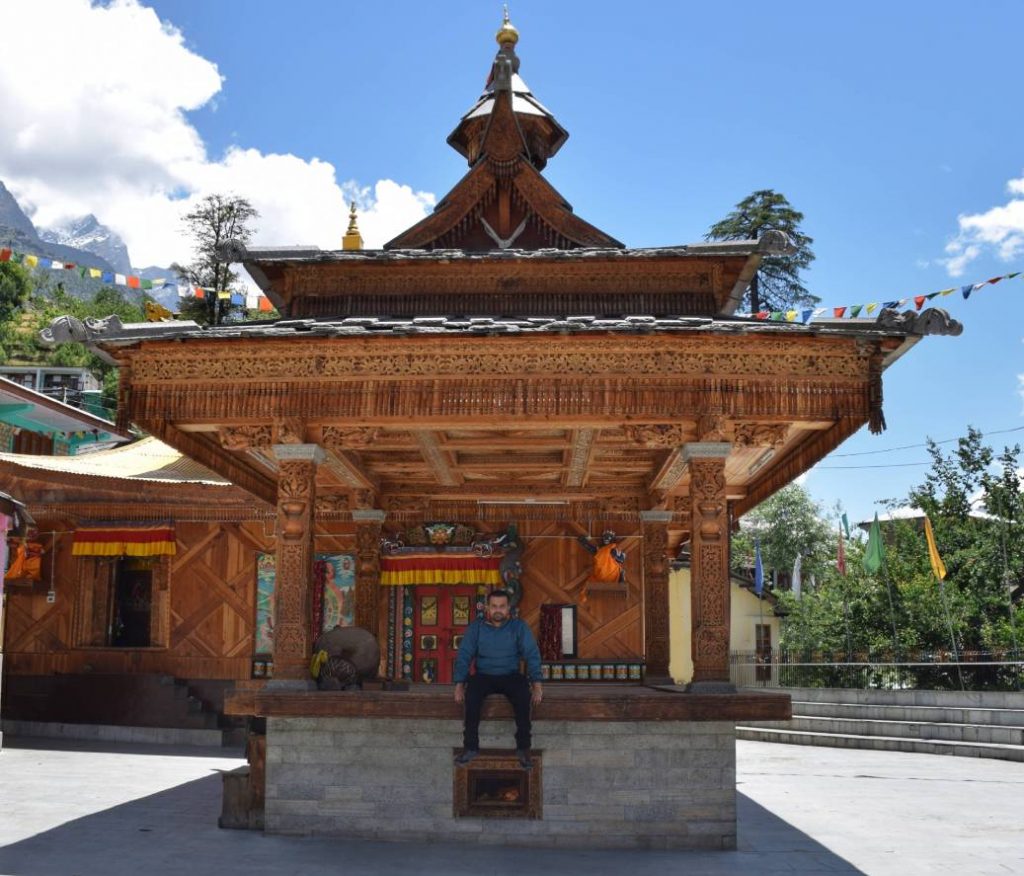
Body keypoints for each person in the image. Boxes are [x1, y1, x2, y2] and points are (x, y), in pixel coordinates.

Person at [453, 589, 543, 769]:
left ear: (508, 608)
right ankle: (470, 747)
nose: (498, 610)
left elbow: (532, 655)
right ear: (487, 607)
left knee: (523, 697)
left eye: (502, 606)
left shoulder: (519, 627)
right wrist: (459, 685)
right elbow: (464, 655)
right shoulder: (476, 627)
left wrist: (537, 685)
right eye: (494, 606)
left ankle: (523, 748)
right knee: (471, 697)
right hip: (483, 676)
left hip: (510, 675)